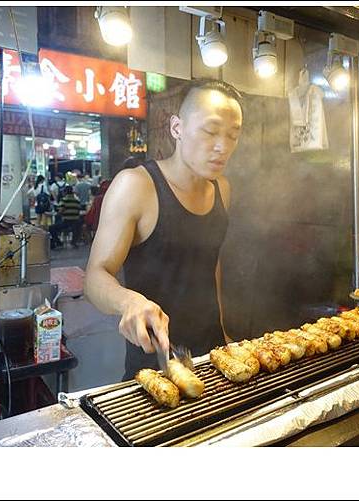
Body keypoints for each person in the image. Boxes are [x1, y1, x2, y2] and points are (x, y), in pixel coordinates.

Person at [84, 79, 242, 379]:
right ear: (177, 128)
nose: (223, 147)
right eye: (210, 131)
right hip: (153, 366)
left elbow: (211, 263)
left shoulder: (222, 188)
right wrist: (129, 301)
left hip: (212, 357)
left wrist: (221, 332)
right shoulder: (136, 185)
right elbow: (95, 276)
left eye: (233, 135)